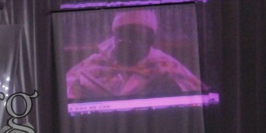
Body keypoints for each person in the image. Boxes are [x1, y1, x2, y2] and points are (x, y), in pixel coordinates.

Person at [65, 10, 207, 101]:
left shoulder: (165, 64)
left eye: (134, 37)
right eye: (121, 38)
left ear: (150, 40)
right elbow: (65, 90)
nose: (126, 43)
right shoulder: (95, 62)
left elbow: (200, 94)